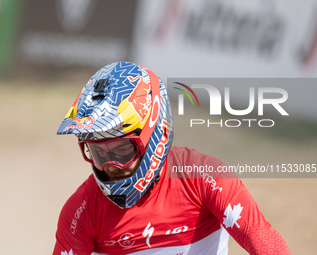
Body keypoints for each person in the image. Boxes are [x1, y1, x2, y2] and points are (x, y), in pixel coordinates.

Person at [53, 61, 290, 255]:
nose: (109, 166)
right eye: (97, 152)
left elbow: (266, 244)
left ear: (154, 132)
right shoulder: (82, 211)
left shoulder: (205, 177)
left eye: (121, 150)